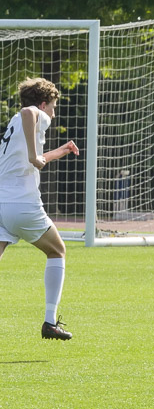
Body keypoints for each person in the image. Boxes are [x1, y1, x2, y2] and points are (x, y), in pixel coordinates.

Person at [0, 77, 80, 339]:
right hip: (22, 204)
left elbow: (36, 159)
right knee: (57, 251)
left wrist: (62, 150)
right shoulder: (34, 114)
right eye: (53, 107)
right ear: (44, 103)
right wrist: (35, 156)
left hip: (2, 202)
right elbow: (29, 112)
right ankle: (49, 323)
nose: (53, 114)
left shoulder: (14, 125)